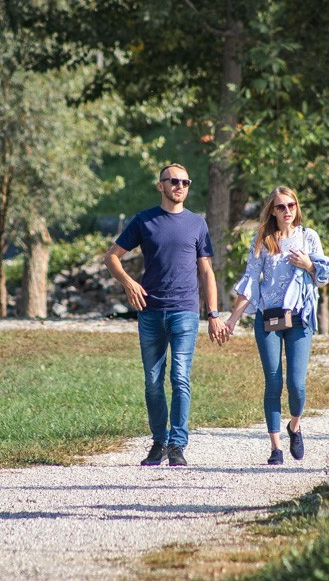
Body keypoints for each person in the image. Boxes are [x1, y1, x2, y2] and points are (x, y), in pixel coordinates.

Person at [104, 164, 229, 467]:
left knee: (181, 378)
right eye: (173, 181)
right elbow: (111, 257)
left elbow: (206, 270)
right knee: (152, 380)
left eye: (185, 182)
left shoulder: (197, 224)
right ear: (160, 186)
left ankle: (177, 444)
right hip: (150, 312)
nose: (180, 186)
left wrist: (213, 313)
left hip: (185, 312)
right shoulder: (144, 221)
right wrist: (129, 282)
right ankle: (158, 442)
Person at [223, 187, 329, 465]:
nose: (287, 211)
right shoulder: (263, 240)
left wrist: (308, 264)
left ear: (296, 208)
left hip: (300, 318)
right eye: (280, 207)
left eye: (291, 205)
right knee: (273, 381)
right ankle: (275, 447)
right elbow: (251, 280)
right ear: (272, 211)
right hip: (269, 317)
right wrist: (232, 319)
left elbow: (324, 276)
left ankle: (295, 426)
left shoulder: (308, 237)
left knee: (297, 384)